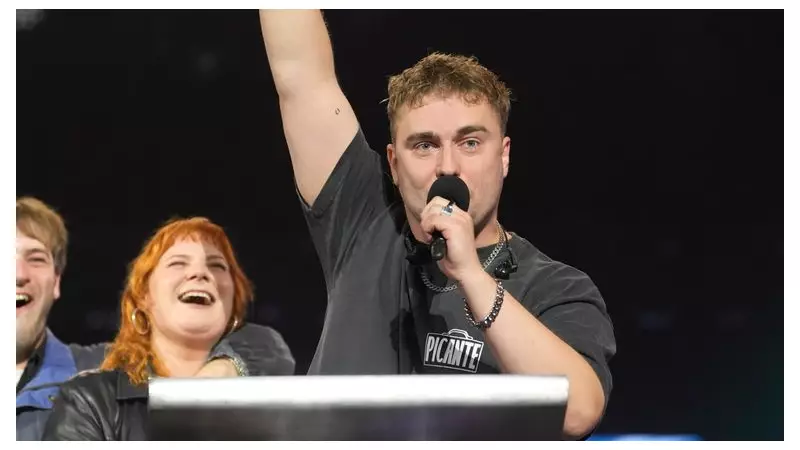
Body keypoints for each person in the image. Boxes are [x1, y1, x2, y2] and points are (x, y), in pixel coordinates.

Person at [258, 10, 616, 439]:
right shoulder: (363, 218)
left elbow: (576, 412)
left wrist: (471, 275)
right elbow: (300, 76)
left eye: (470, 142)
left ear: (503, 156)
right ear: (394, 164)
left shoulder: (556, 288)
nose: (448, 166)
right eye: (424, 145)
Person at [16, 197, 294, 440]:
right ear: (142, 297)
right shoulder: (91, 397)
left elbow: (266, 345)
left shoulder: (90, 367)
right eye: (177, 263)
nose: (200, 273)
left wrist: (222, 372)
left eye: (217, 265)